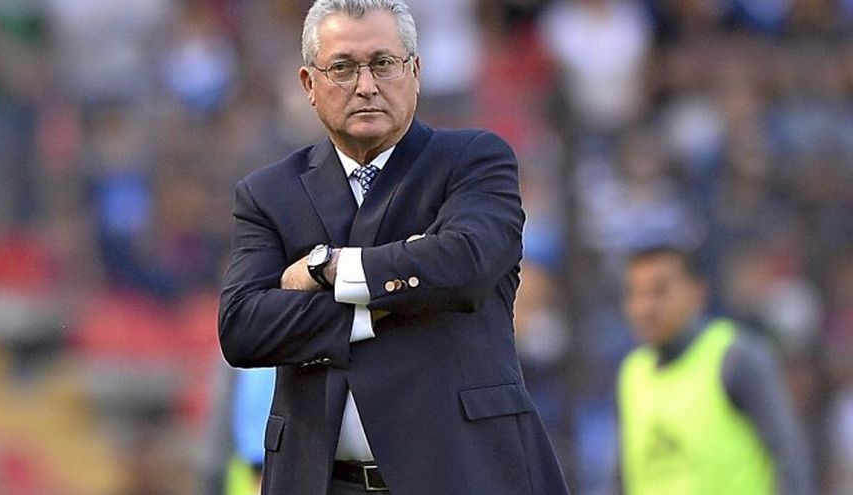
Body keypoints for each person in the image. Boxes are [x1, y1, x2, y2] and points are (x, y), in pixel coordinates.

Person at [217, 1, 569, 494]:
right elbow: (242, 327)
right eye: (342, 67)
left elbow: (465, 266)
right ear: (308, 84)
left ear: (415, 72)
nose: (366, 85)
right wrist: (390, 298)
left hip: (465, 477)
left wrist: (326, 268)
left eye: (383, 63)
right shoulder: (269, 193)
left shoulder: (474, 162)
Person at [617, 246, 814, 495]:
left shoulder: (734, 358)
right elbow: (623, 477)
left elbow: (790, 458)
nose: (644, 307)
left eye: (660, 291)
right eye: (635, 293)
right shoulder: (632, 374)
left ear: (698, 292)